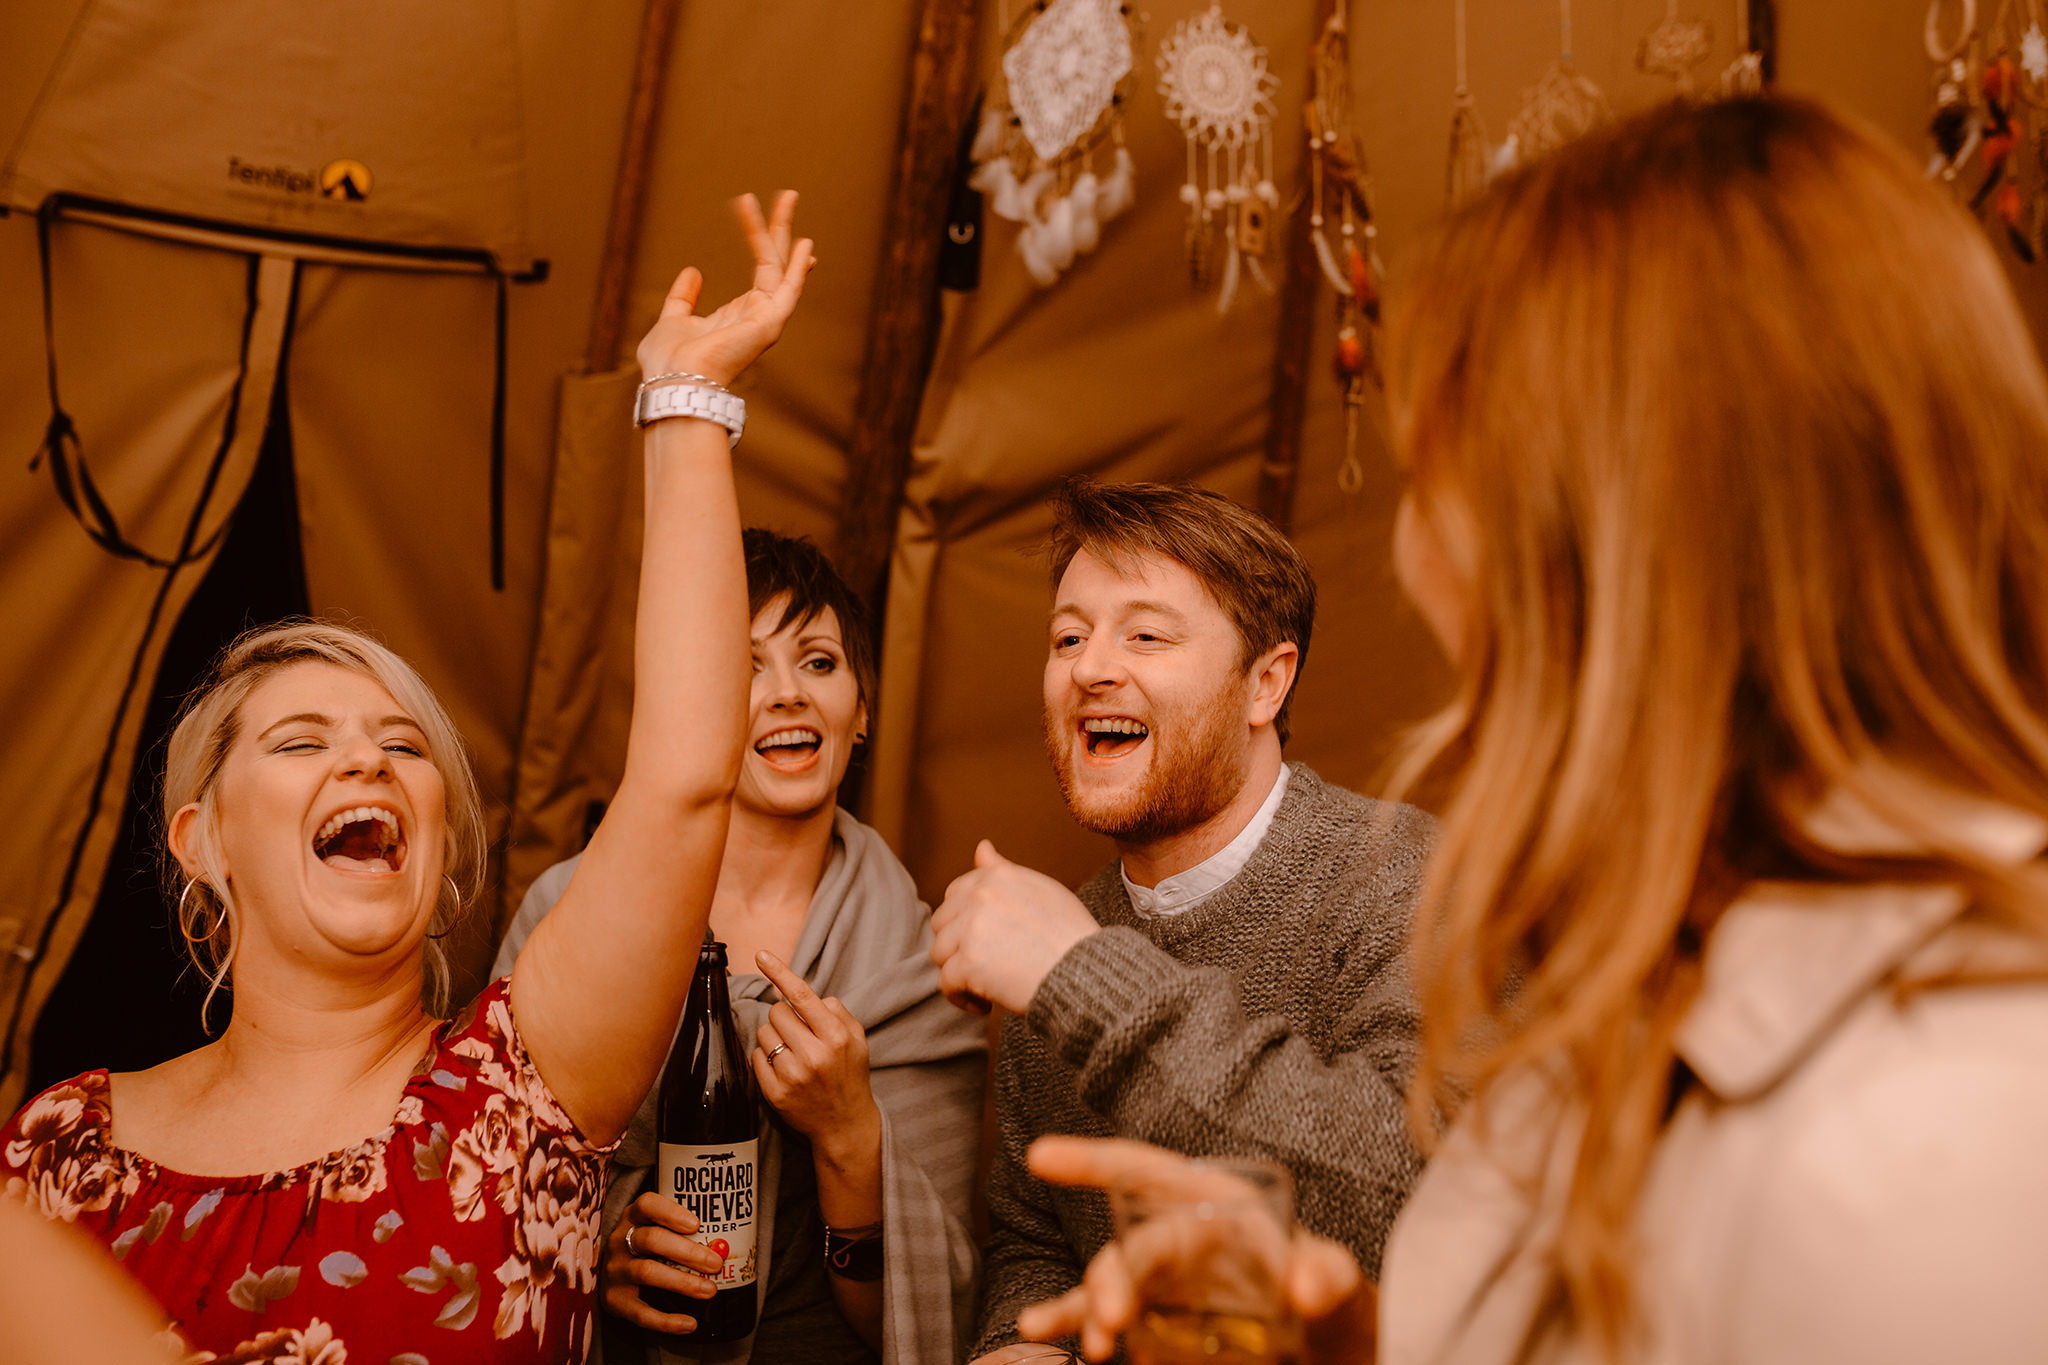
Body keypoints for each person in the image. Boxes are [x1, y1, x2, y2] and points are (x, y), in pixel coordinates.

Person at [1019, 95, 2048, 1364]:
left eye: (1449, 466)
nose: (1416, 555)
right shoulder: (1655, 958)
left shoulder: (1929, 1141)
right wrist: (1341, 1339)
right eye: (1070, 634)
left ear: (1632, 538)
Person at [0, 192, 814, 1364]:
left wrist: (685, 404)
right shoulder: (55, 1149)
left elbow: (686, 775)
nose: (365, 758)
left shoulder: (517, 1088)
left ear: (440, 835)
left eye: (401, 743)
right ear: (201, 841)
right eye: (299, 741)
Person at [929, 479, 1436, 1362]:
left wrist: (1081, 979)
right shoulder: (1063, 928)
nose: (1090, 667)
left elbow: (1414, 1198)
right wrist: (1020, 1338)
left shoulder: (1406, 876)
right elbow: (1038, 1234)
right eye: (1069, 637)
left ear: (1265, 684)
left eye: (1146, 634)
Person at [493, 529, 985, 1365]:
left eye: (819, 662)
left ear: (860, 710)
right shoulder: (571, 916)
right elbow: (490, 1205)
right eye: (745, 664)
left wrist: (846, 1130)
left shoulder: (923, 962)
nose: (788, 694)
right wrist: (599, 1255)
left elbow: (923, 1319)